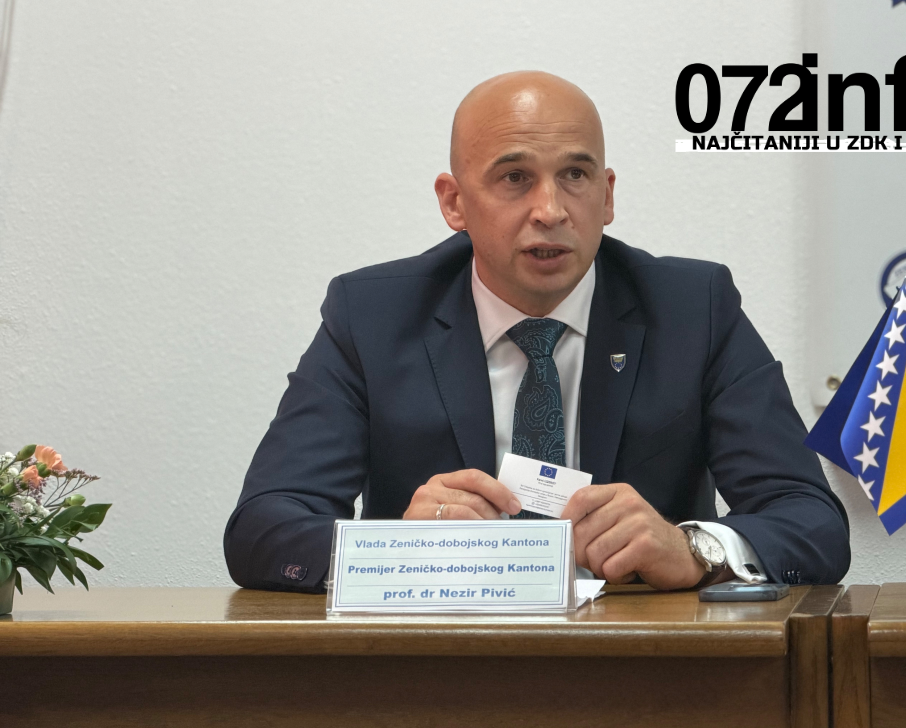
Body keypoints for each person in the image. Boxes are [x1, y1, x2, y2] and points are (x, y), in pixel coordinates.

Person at [224, 71, 850, 593]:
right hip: (435, 665)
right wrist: (397, 551)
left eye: (575, 176)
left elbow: (812, 522)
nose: (550, 211)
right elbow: (262, 528)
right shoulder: (374, 316)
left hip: (643, 662)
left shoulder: (693, 309)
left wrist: (694, 549)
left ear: (606, 196)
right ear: (454, 202)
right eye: (514, 178)